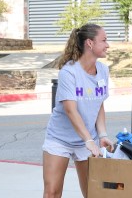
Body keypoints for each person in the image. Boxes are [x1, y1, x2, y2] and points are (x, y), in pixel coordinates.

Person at [42, 23, 114, 198]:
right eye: (103, 40)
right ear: (90, 43)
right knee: (52, 192)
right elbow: (70, 110)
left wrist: (102, 135)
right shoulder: (69, 72)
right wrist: (88, 140)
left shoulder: (103, 70)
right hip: (61, 139)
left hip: (87, 140)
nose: (108, 45)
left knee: (93, 192)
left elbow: (99, 104)